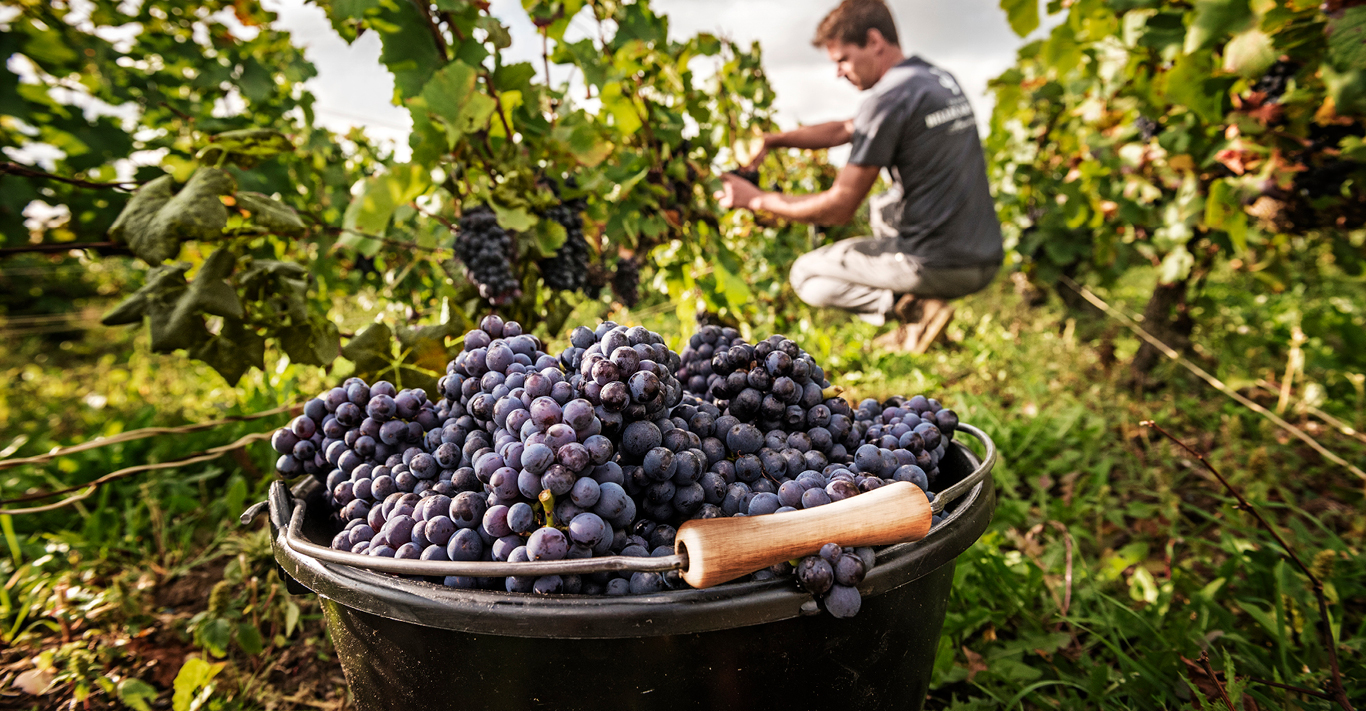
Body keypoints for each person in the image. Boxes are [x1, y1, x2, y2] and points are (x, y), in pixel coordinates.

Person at [715, 0, 1003, 353]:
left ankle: (918, 308)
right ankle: (920, 309)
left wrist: (755, 199)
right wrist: (774, 140)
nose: (839, 72)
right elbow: (846, 129)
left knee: (807, 275)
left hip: (936, 264)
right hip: (985, 257)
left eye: (842, 59)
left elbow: (840, 208)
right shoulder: (933, 80)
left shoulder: (888, 99)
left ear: (874, 41)